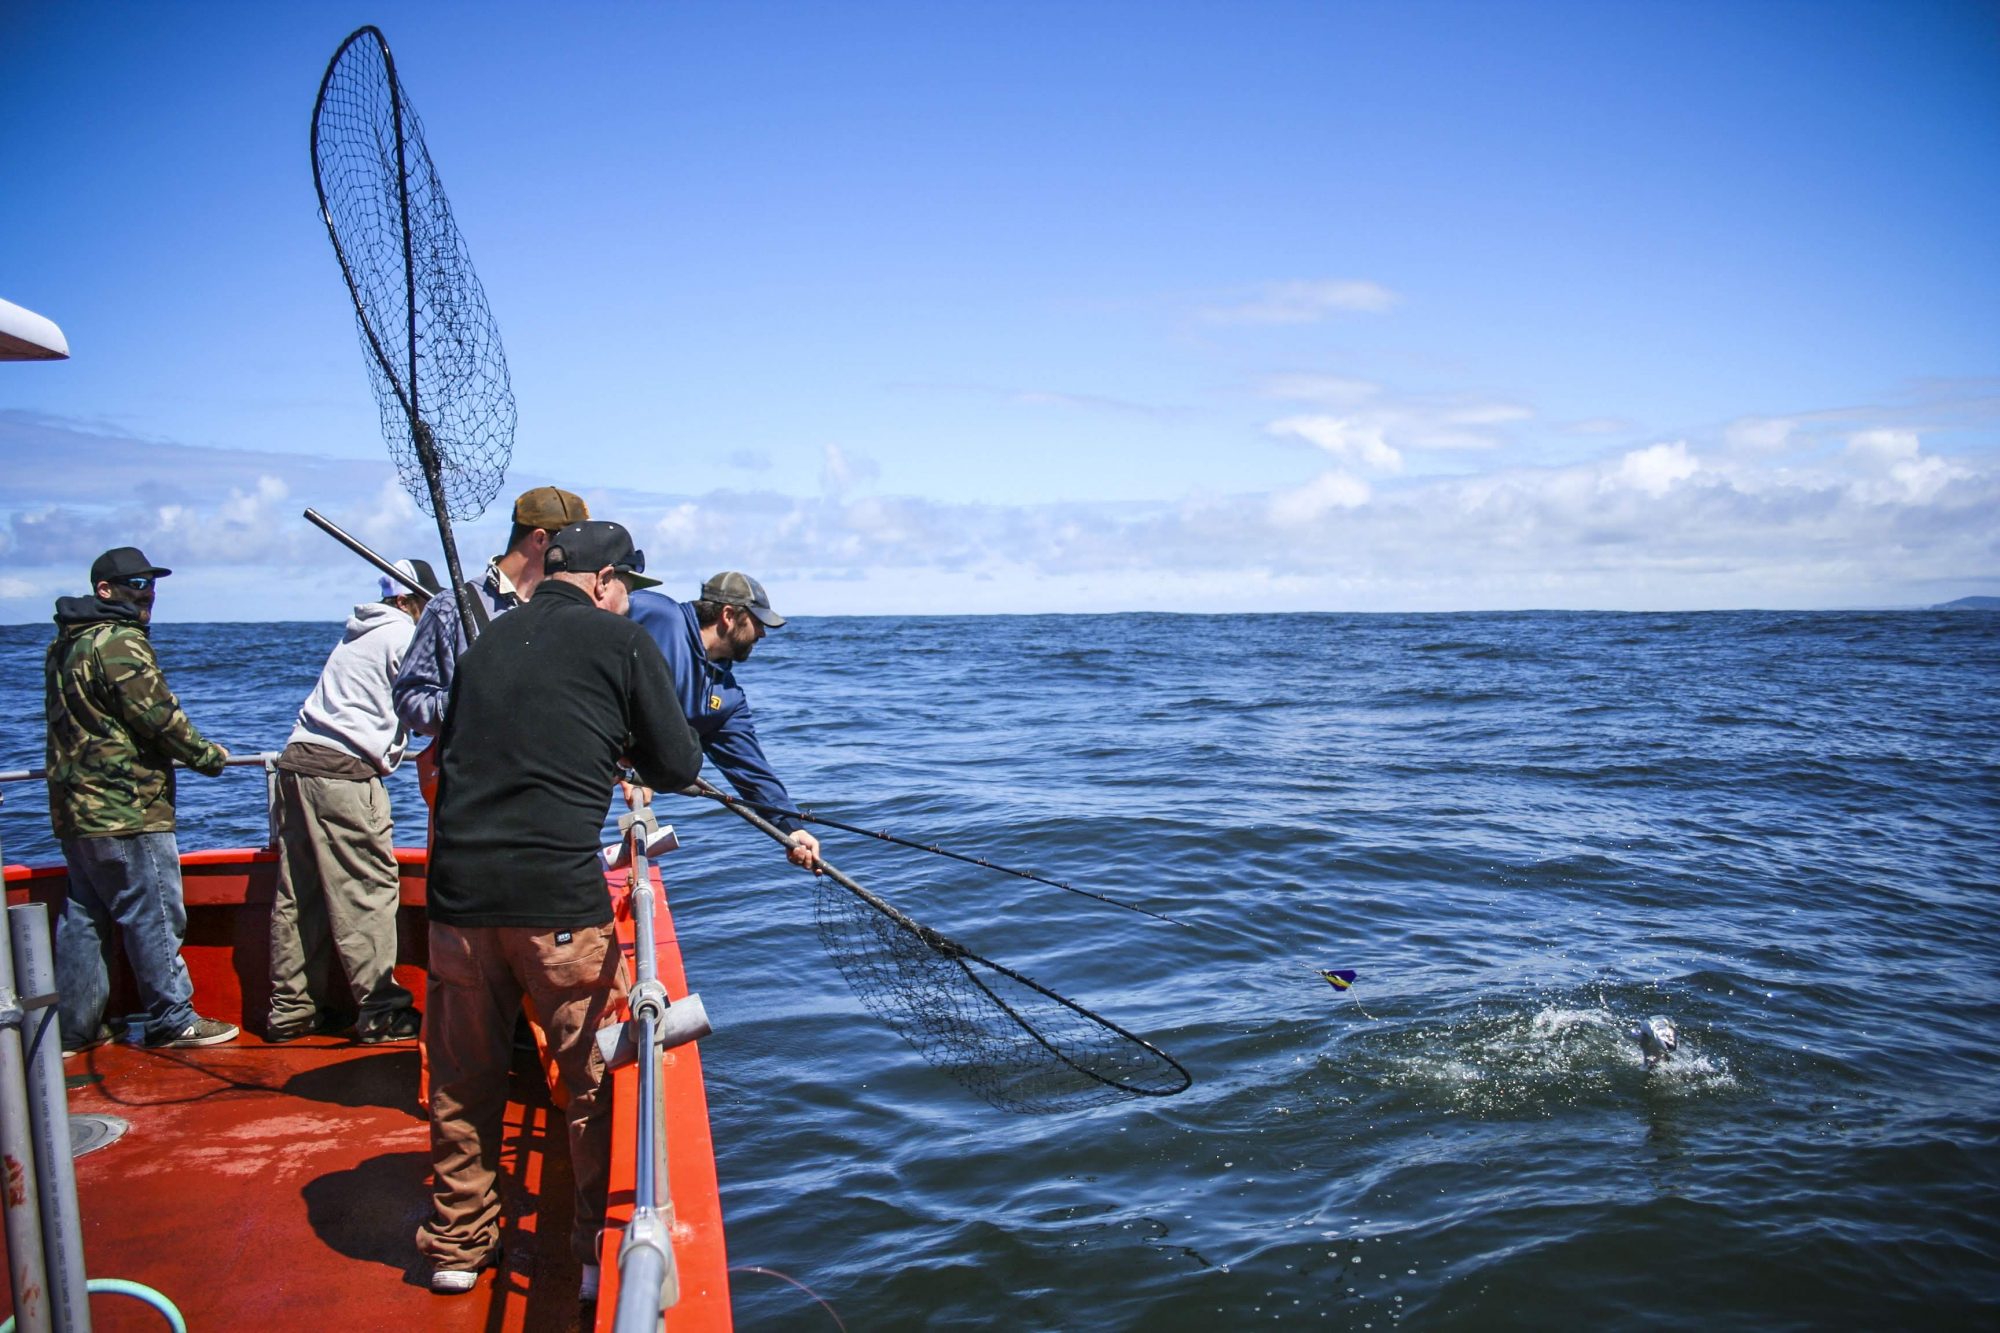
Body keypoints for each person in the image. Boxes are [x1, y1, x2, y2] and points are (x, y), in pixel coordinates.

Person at [417, 521, 703, 1297]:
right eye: (627, 590)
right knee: (589, 1082)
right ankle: (589, 1253)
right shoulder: (621, 645)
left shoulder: (483, 644)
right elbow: (679, 762)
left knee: (462, 1078)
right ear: (605, 579)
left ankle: (456, 1244)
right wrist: (624, 747)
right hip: (555, 904)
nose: (627, 604)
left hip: (456, 901)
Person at [44, 547, 236, 1051]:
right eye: (135, 585)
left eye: (150, 585)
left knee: (85, 916)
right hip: (126, 807)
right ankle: (173, 1017)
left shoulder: (66, 643)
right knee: (153, 911)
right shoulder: (120, 643)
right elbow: (157, 716)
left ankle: (75, 1029)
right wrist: (209, 757)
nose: (146, 594)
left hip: (75, 808)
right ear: (104, 590)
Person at [266, 558, 442, 1045]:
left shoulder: (359, 632)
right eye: (428, 604)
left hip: (296, 764)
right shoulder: (403, 636)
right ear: (408, 601)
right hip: (343, 775)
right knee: (366, 890)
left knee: (297, 895)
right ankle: (382, 1013)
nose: (431, 615)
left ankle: (291, 1010)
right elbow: (432, 704)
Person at [627, 572, 821, 870]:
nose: (763, 634)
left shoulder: (725, 697)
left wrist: (790, 827)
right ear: (729, 615)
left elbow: (750, 769)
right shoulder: (656, 614)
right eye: (758, 623)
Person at [392, 485, 590, 739]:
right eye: (574, 545)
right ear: (541, 539)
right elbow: (408, 699)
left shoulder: (573, 609)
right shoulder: (451, 607)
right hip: (480, 773)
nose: (584, 556)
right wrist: (470, 703)